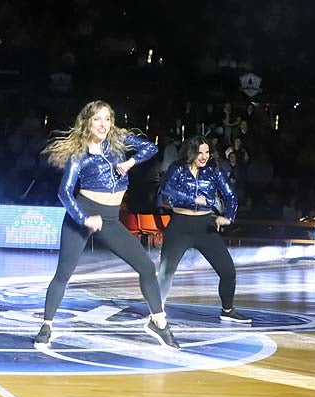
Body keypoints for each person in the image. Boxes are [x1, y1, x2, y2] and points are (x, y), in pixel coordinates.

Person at [36, 100, 179, 349]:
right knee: (63, 274)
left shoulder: (118, 142)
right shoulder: (80, 153)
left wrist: (130, 162)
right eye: (97, 119)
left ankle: (158, 322)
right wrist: (84, 219)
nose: (103, 124)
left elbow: (150, 148)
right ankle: (46, 325)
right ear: (87, 122)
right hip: (82, 214)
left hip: (110, 219)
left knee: (146, 267)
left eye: (107, 119)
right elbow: (64, 193)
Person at [157, 135, 248, 322]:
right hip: (180, 225)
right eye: (200, 152)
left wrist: (228, 217)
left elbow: (231, 196)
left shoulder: (213, 170)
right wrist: (192, 199)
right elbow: (166, 191)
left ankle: (228, 310)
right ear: (191, 152)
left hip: (205, 226)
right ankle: (157, 311)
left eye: (207, 152)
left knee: (228, 271)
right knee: (166, 272)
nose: (204, 156)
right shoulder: (177, 168)